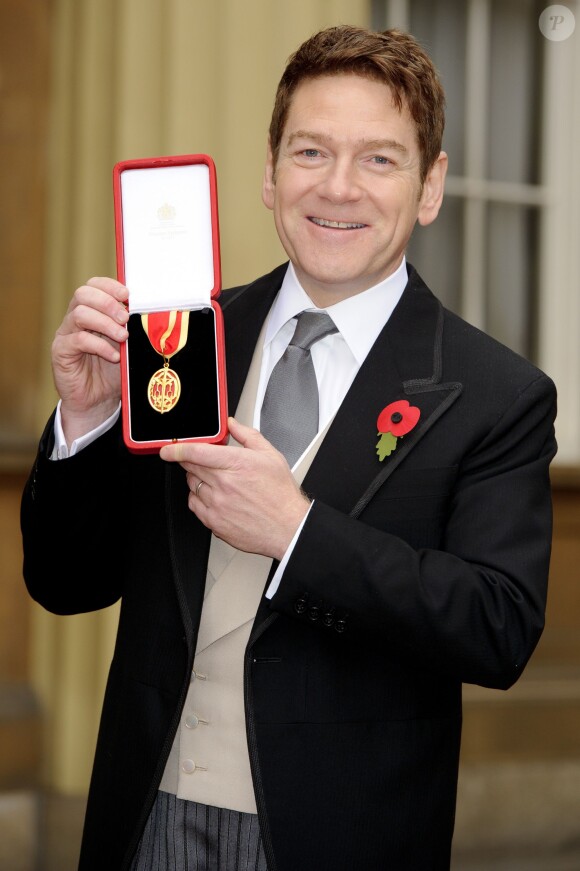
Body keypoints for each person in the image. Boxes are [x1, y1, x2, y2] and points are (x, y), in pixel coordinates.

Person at [21, 23, 557, 871]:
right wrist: (82, 422)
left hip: (344, 835)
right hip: (145, 817)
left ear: (431, 186)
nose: (338, 187)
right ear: (269, 176)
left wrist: (297, 532)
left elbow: (496, 628)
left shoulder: (497, 395)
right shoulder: (180, 341)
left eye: (379, 159)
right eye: (311, 152)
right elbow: (63, 582)